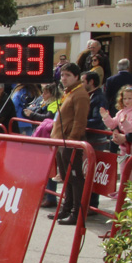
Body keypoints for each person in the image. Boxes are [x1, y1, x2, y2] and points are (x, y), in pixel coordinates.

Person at [50, 64, 90, 225]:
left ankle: (76, 212)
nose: (64, 78)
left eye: (67, 75)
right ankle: (66, 208)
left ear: (76, 76)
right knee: (66, 176)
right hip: (61, 140)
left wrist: (73, 141)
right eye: (62, 75)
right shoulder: (69, 93)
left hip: (69, 142)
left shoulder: (80, 94)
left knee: (75, 177)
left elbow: (80, 121)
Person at [101, 86, 132, 181]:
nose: (127, 101)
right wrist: (106, 117)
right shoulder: (121, 112)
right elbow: (113, 124)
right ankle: (123, 189)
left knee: (131, 170)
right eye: (125, 98)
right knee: (123, 169)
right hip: (123, 146)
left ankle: (129, 190)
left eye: (130, 98)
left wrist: (124, 122)